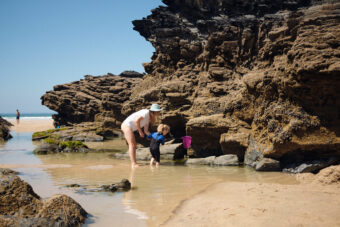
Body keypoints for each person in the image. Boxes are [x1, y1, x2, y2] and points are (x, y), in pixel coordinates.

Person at [121, 104, 162, 168]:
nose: (159, 113)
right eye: (158, 112)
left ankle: (134, 163)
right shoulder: (145, 113)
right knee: (132, 144)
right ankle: (133, 164)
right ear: (153, 111)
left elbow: (146, 131)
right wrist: (140, 132)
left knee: (133, 144)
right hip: (126, 125)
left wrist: (154, 138)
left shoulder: (148, 118)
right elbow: (137, 121)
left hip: (130, 127)